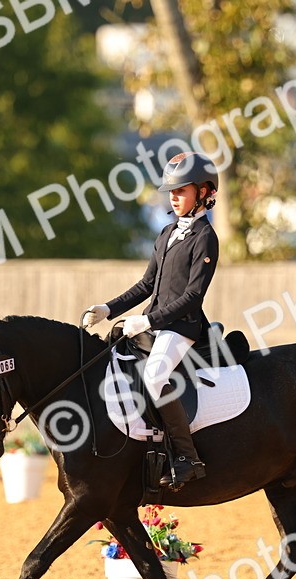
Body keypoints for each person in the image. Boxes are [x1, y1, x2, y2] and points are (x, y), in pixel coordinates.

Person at [82, 152, 220, 490]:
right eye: (170, 192)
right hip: (155, 324)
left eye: (181, 191)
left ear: (204, 192)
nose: (173, 198)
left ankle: (187, 457)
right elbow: (147, 285)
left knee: (155, 376)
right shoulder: (167, 232)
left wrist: (147, 322)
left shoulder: (206, 238)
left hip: (182, 327)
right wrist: (108, 309)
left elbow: (192, 297)